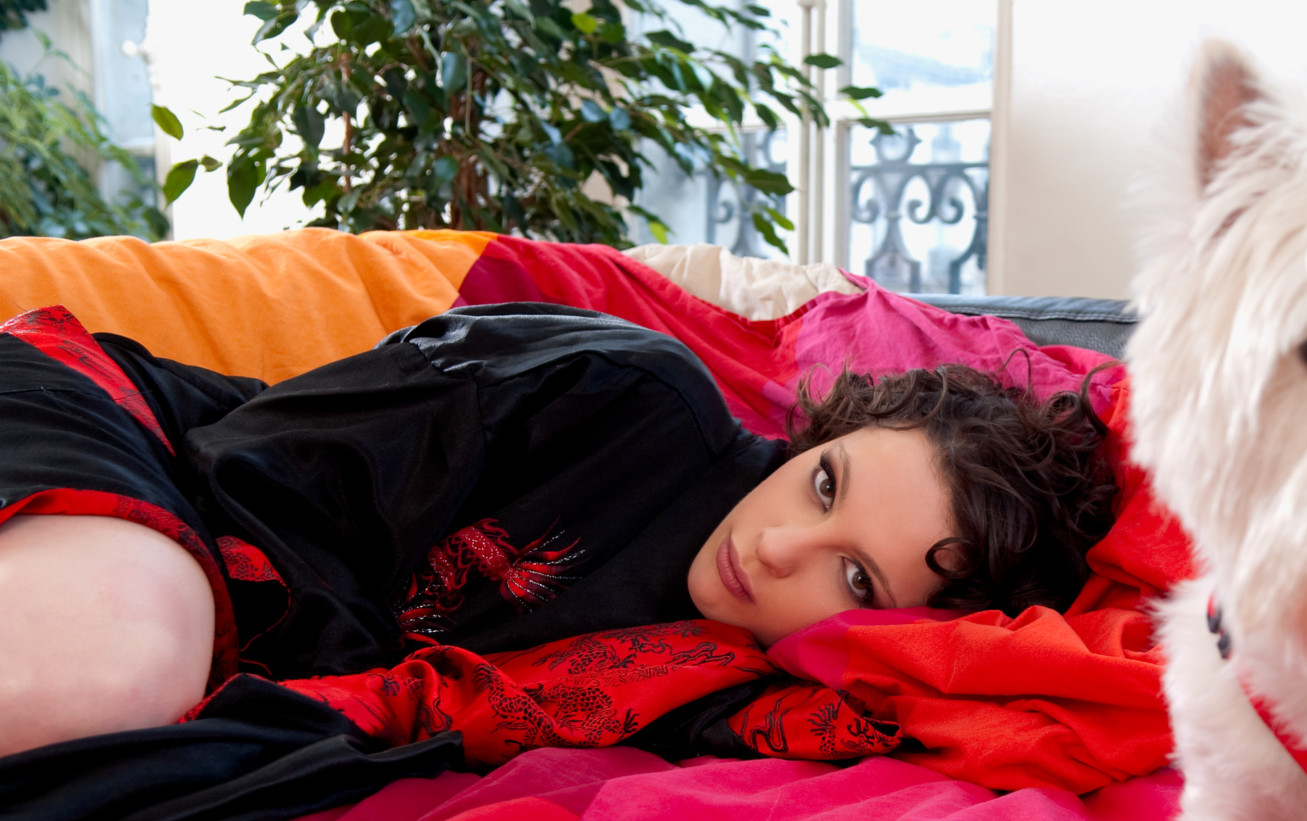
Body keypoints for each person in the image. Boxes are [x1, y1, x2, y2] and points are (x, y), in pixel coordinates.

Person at [0, 303, 1117, 762]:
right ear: (825, 432)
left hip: (174, 593)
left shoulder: (713, 670)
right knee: (120, 673)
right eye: (824, 487)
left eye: (857, 578)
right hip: (125, 435)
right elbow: (254, 459)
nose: (779, 549)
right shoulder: (624, 389)